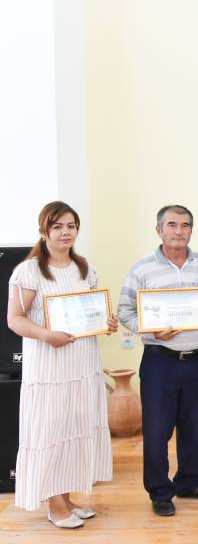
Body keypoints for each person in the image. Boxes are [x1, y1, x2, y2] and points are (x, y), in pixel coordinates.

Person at [6, 201, 116, 528]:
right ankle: (55, 504)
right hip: (50, 365)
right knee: (52, 430)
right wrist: (46, 335)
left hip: (82, 362)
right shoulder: (29, 271)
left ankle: (66, 497)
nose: (65, 232)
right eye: (57, 227)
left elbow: (90, 310)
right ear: (44, 231)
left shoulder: (83, 267)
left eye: (71, 226)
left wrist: (106, 322)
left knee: (76, 427)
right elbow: (15, 319)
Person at [117, 204, 198, 516]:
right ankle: (160, 492)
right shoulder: (141, 268)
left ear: (191, 229)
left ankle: (190, 482)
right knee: (157, 431)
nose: (179, 231)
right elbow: (124, 310)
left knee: (194, 427)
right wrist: (149, 329)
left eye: (185, 225)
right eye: (172, 225)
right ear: (159, 230)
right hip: (159, 361)